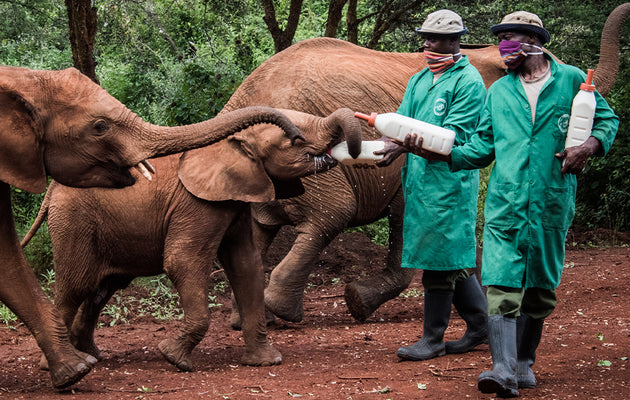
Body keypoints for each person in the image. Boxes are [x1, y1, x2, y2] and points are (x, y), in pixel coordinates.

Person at [404, 11, 619, 398]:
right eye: (500, 39)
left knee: (540, 289)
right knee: (501, 283)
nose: (502, 48)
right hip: (505, 203)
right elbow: (482, 146)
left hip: (552, 203)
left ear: (534, 43)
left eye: (510, 40)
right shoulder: (499, 91)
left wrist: (589, 146)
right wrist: (440, 154)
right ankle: (501, 369)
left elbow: (607, 121)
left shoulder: (572, 80)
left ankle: (523, 363)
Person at [375, 9, 488, 362]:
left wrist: (405, 145)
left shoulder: (468, 81)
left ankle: (432, 338)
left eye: (436, 38)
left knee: (440, 259)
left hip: (449, 180)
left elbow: (449, 138)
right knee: (449, 257)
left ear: (455, 41)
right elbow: (403, 123)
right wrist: (391, 146)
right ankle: (481, 324)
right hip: (421, 180)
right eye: (425, 37)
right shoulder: (420, 79)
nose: (427, 43)